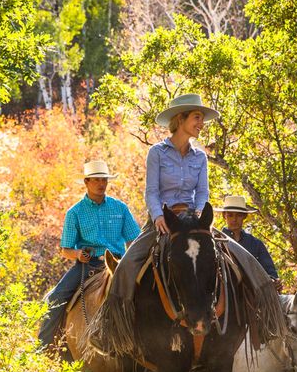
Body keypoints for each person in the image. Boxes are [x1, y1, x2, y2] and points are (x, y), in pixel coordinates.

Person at [93, 94, 280, 357]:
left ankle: (267, 320)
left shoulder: (200, 157)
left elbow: (203, 192)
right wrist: (158, 216)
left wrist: (200, 216)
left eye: (201, 118)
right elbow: (151, 191)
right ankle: (111, 332)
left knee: (244, 259)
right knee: (127, 265)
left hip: (194, 221)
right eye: (197, 117)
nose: (201, 123)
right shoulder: (157, 153)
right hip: (163, 220)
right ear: (180, 119)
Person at [38, 160, 140, 356]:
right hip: (88, 264)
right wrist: (77, 254)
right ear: (86, 182)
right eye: (96, 180)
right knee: (55, 298)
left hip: (117, 264)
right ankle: (43, 350)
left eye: (104, 180)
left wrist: (131, 263)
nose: (101, 184)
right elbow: (66, 249)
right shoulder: (75, 212)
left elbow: (134, 240)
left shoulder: (120, 208)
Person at [216, 195, 280, 286]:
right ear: (224, 216)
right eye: (230, 215)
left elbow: (270, 272)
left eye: (239, 215)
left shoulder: (256, 244)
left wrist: (274, 281)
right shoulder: (216, 241)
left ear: (244, 216)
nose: (234, 219)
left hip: (253, 290)